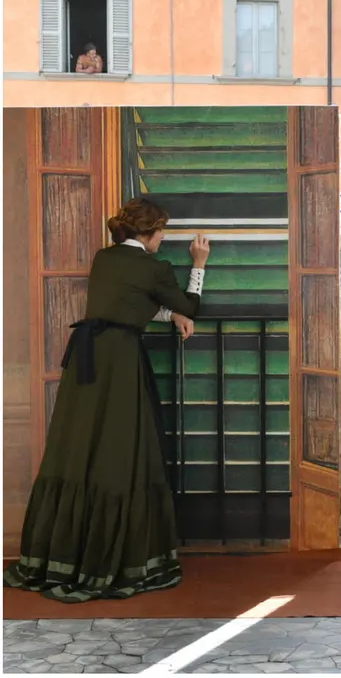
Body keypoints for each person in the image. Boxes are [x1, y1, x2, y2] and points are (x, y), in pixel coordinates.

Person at [3, 199, 206, 603]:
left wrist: (168, 316)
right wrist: (198, 264)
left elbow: (126, 302)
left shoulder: (104, 258)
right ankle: (109, 558)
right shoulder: (154, 267)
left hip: (86, 358)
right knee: (119, 447)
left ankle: (61, 554)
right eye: (161, 231)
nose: (164, 238)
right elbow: (191, 304)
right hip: (117, 361)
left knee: (78, 445)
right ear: (148, 233)